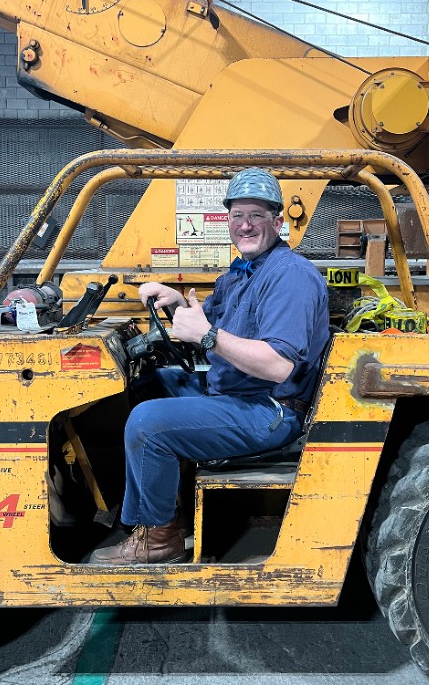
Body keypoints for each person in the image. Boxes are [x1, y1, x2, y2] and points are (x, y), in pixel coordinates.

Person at [91, 167, 330, 565]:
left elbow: (278, 366)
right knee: (146, 386)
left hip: (270, 409)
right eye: (237, 216)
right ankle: (164, 506)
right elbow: (209, 320)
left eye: (256, 215)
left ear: (277, 221)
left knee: (148, 423)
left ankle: (159, 538)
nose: (245, 225)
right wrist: (175, 300)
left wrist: (206, 335)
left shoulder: (290, 276)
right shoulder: (240, 275)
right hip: (234, 391)